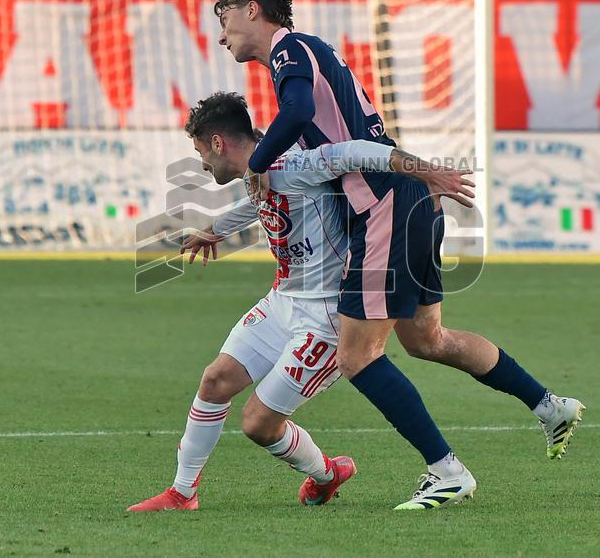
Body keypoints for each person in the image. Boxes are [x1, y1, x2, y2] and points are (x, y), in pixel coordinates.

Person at [214, 0, 584, 510]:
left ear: (252, 10)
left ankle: (446, 471)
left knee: (357, 356)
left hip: (382, 205)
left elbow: (294, 114)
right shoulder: (316, 53)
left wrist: (259, 163)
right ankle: (549, 405)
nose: (223, 37)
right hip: (407, 199)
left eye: (224, 21)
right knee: (427, 340)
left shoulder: (289, 50)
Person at [127, 92, 473, 511]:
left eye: (200, 150)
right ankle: (183, 494)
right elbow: (260, 203)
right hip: (283, 300)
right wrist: (215, 229)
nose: (202, 162)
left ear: (218, 143)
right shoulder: (258, 172)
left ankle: (328, 474)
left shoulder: (293, 162)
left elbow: (360, 150)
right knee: (215, 380)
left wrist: (426, 172)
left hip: (325, 319)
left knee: (257, 424)